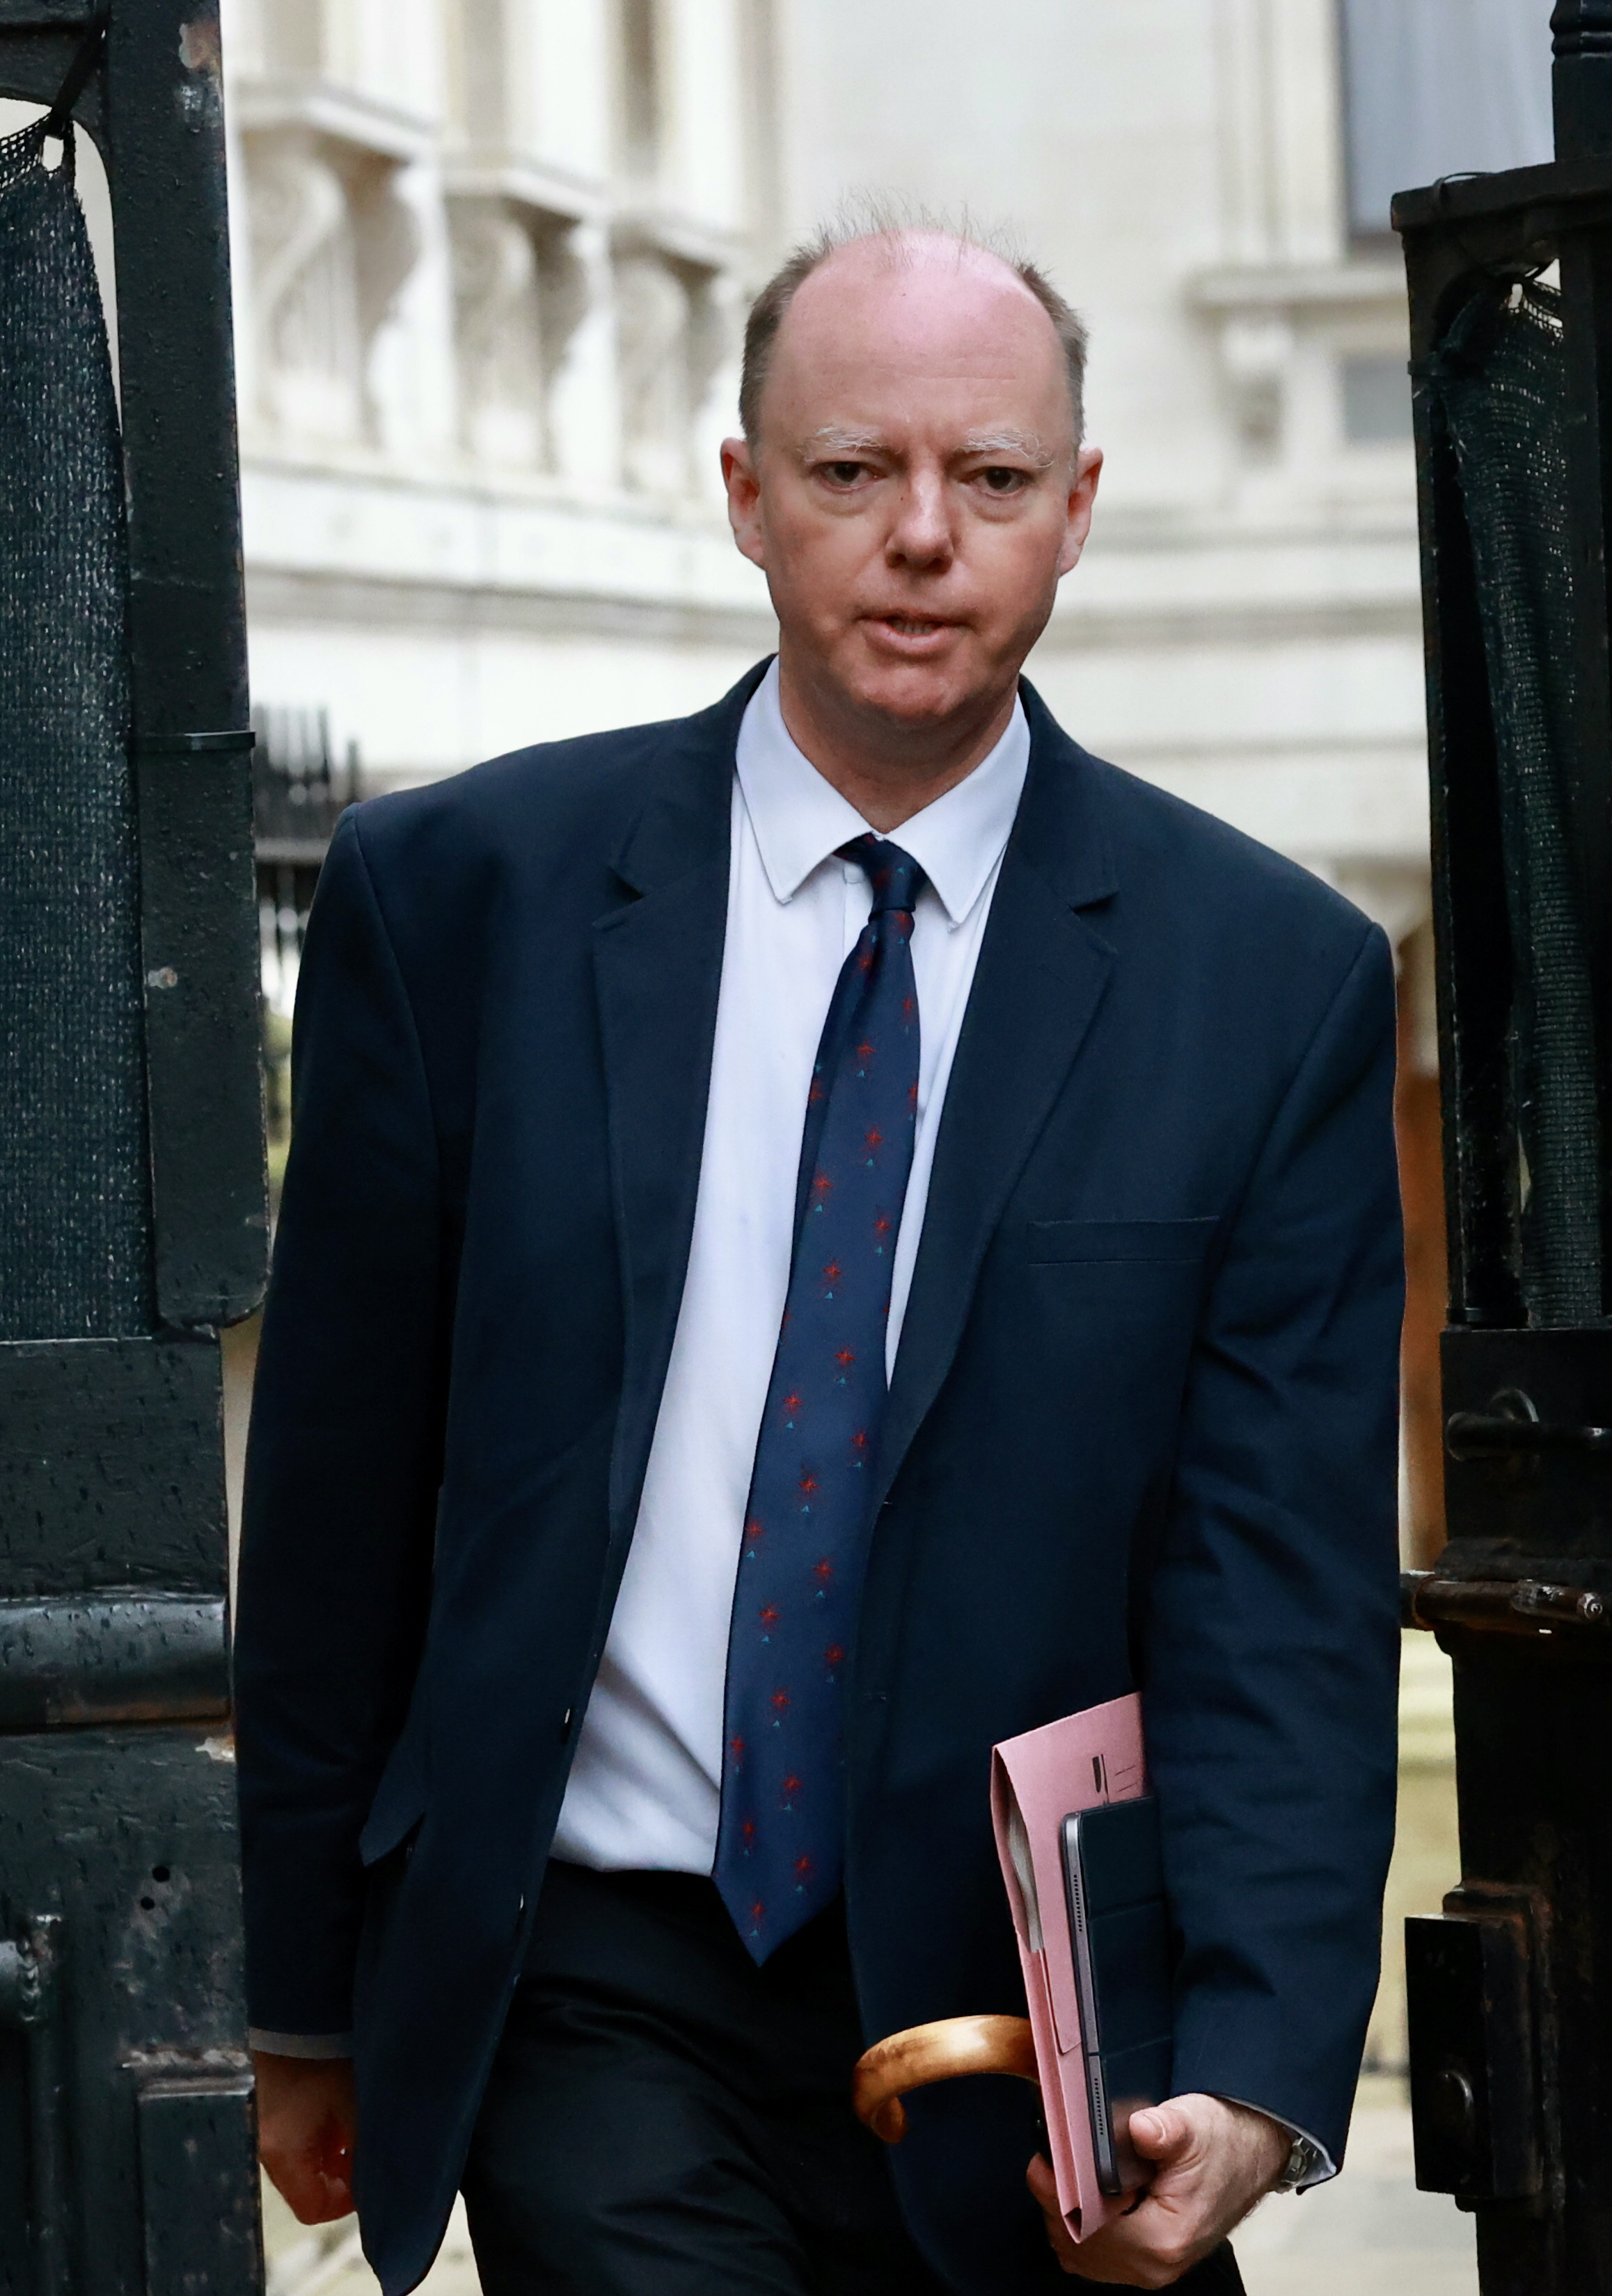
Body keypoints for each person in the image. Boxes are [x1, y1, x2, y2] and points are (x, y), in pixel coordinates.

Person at [235, 219, 1403, 2296]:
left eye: (993, 478)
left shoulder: (1269, 983)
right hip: (592, 1964)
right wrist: (306, 1992)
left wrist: (1243, 2063)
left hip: (1028, 2020)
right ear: (745, 495)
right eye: (855, 472)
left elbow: (1275, 1589)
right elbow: (338, 1484)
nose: (923, 539)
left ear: (1078, 510)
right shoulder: (460, 902)